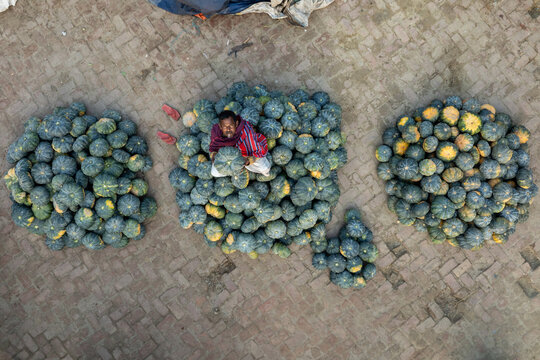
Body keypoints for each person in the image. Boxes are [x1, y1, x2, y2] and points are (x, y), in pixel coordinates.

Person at [209, 110, 271, 177]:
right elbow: (213, 149)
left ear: (236, 124)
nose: (228, 129)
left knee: (264, 168)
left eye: (231, 125)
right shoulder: (216, 133)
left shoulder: (246, 132)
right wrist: (215, 157)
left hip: (247, 156)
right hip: (229, 161)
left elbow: (258, 152)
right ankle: (232, 172)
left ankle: (264, 172)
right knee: (214, 172)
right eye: (225, 126)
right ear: (220, 126)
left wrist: (247, 161)